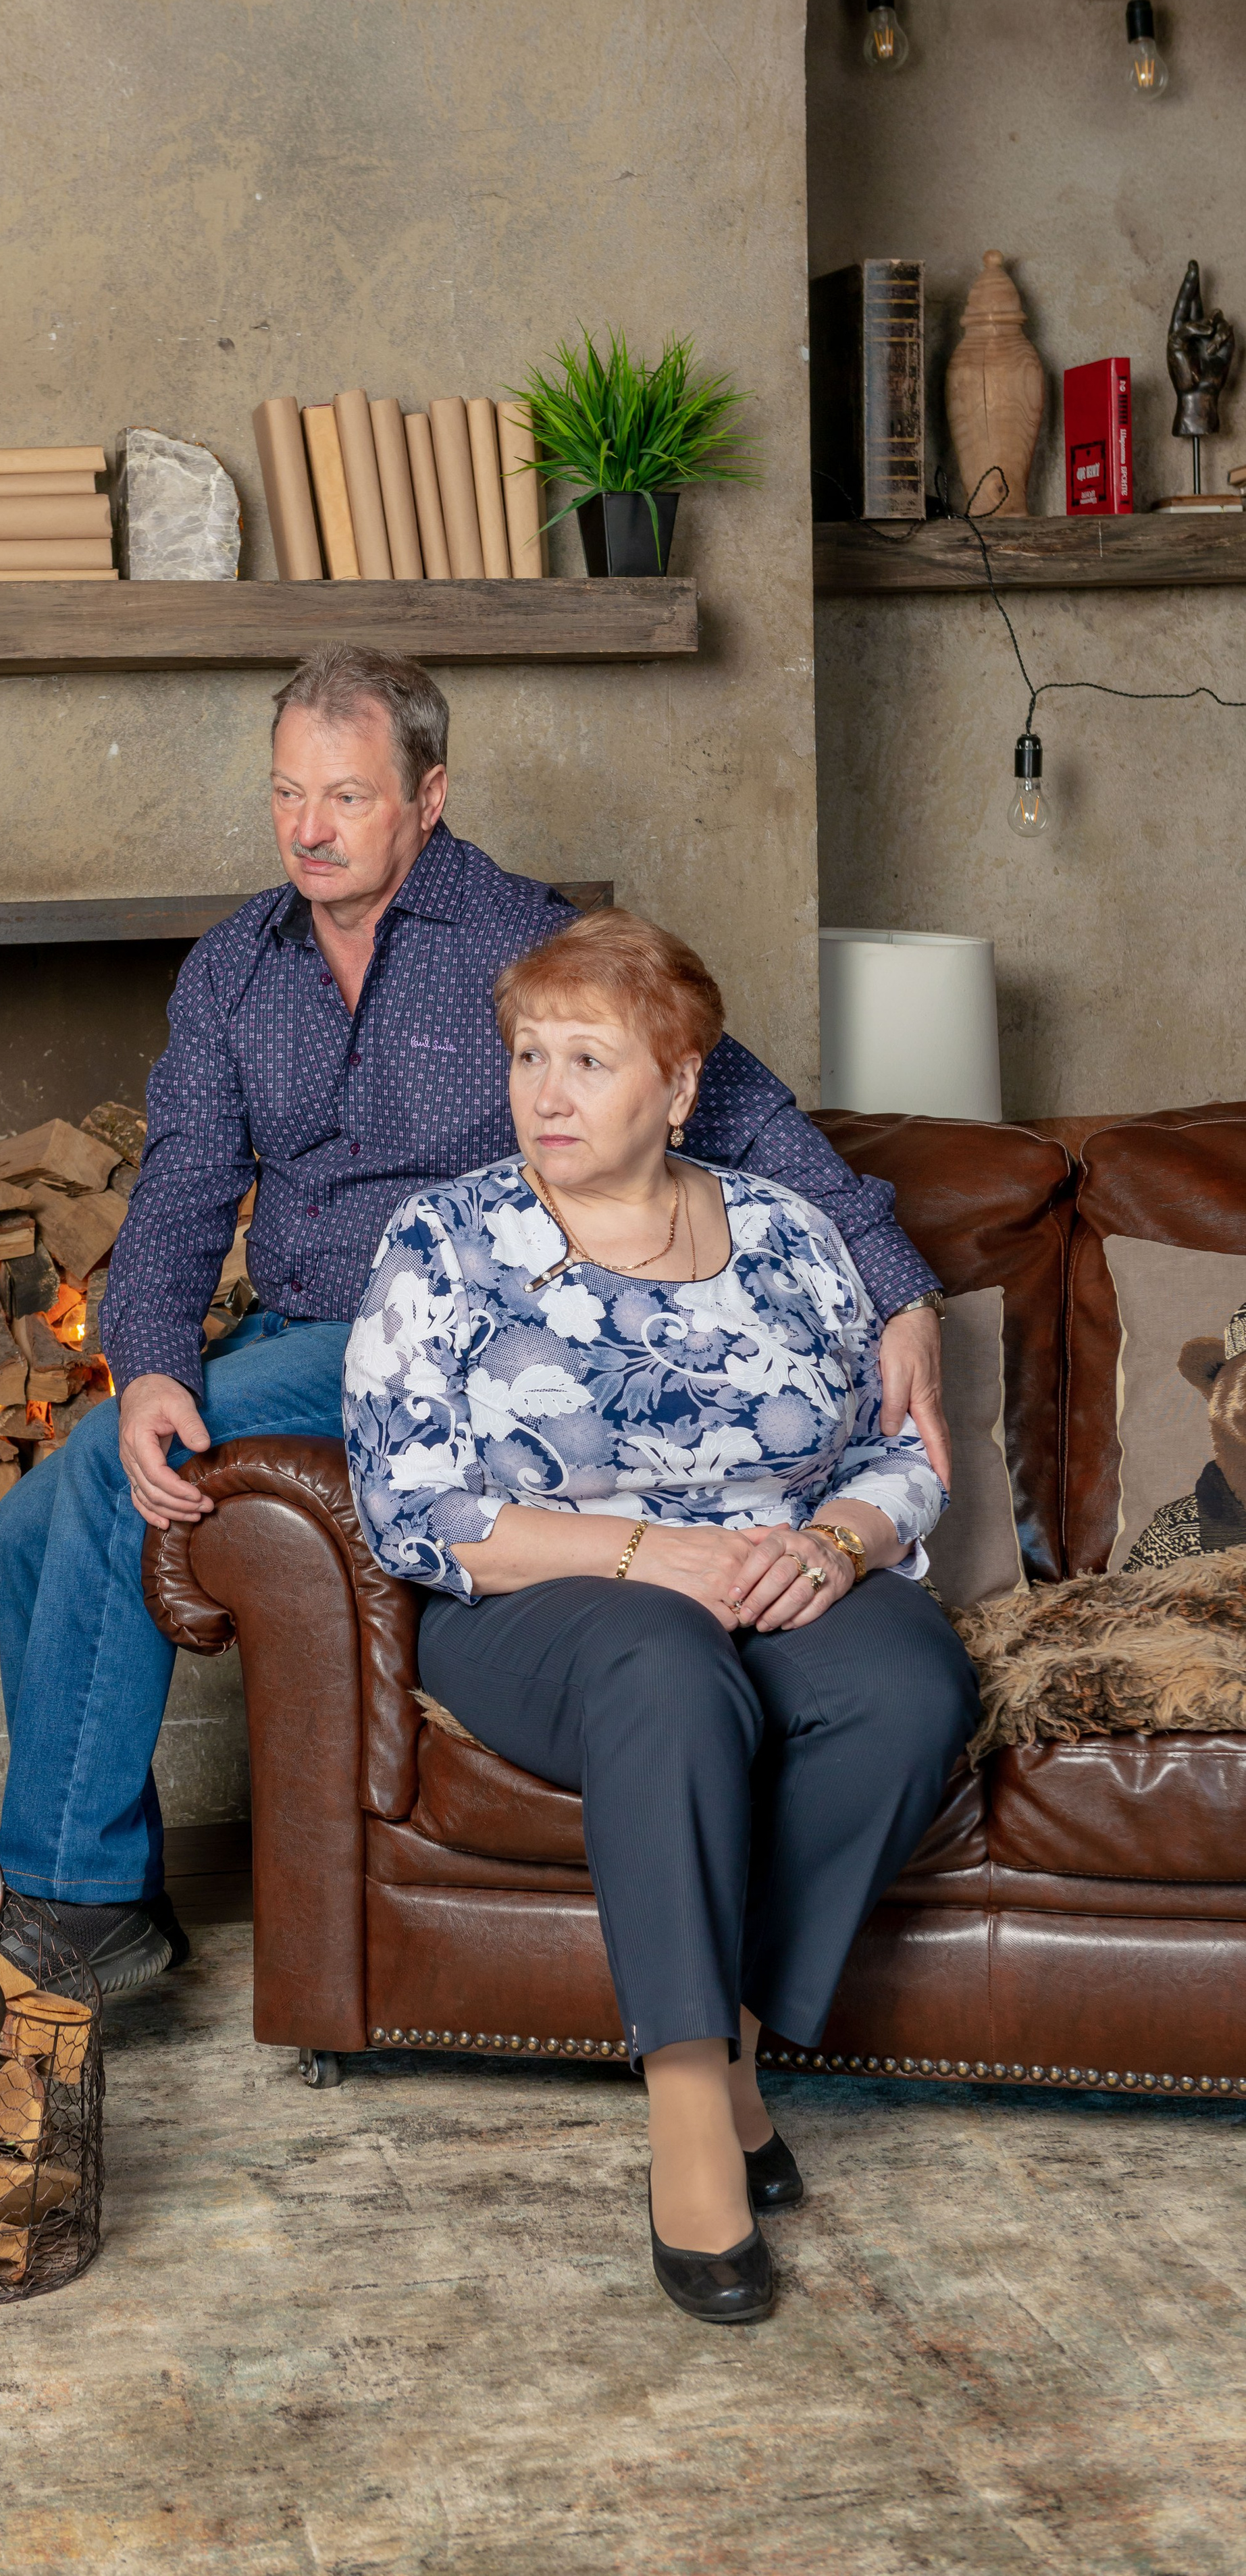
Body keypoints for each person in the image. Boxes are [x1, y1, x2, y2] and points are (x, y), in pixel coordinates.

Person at [0, 645, 952, 2009]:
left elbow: (739, 1114)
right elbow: (183, 1183)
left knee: (98, 1477)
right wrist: (146, 1363)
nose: (310, 828)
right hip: (289, 1335)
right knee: (25, 1528)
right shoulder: (234, 966)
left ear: (428, 797)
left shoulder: (523, 941)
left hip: (445, 1332)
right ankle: (113, 1884)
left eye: (347, 796)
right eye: (286, 794)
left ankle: (69, 1905)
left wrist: (900, 1287)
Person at [342, 908, 979, 2326]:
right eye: (528, 1054)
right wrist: (651, 1555)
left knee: (909, 1684)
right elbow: (409, 1504)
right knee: (668, 1663)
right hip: (544, 1598)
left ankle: (740, 2041)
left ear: (681, 1083)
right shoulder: (447, 1240)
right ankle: (690, 2112)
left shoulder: (787, 1232)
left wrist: (835, 1543)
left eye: (588, 1058)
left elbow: (901, 1453)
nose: (546, 1090)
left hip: (769, 1568)